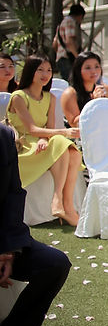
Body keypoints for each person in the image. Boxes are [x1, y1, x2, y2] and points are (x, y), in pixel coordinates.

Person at [0, 123, 71, 326]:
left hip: (4, 239)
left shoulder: (3, 136)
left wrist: (8, 251)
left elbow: (13, 195)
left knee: (55, 264)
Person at [6, 56, 82, 226]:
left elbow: (48, 127)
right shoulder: (19, 96)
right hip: (24, 146)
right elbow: (31, 129)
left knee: (75, 154)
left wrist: (44, 139)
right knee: (61, 141)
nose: (45, 74)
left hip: (42, 141)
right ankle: (58, 199)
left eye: (49, 70)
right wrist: (64, 132)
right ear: (30, 71)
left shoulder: (50, 97)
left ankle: (67, 206)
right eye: (40, 70)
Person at [61, 51, 108, 129]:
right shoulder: (70, 93)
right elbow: (75, 124)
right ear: (78, 71)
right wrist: (95, 103)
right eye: (88, 68)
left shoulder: (105, 89)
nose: (93, 71)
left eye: (97, 66)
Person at [54, 3, 85, 81]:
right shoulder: (70, 22)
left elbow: (54, 44)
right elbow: (69, 41)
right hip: (68, 58)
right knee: (72, 82)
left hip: (60, 58)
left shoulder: (62, 23)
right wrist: (77, 57)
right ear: (80, 15)